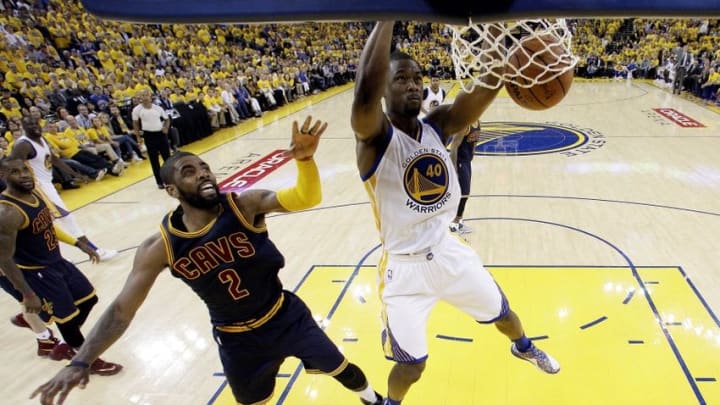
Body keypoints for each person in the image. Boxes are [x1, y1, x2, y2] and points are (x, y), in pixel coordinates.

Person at [32, 116, 384, 405]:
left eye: (204, 167)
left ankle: (372, 399)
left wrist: (304, 162)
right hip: (235, 339)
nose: (202, 173)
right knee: (253, 402)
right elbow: (122, 310)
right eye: (189, 171)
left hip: (284, 316)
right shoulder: (161, 246)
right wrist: (82, 360)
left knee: (343, 369)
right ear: (171, 190)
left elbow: (305, 198)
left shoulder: (244, 205)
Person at [350, 21, 560, 405]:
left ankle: (524, 346)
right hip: (404, 270)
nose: (414, 84)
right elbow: (364, 90)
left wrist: (504, 43)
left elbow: (483, 89)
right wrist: (386, 16)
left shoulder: (438, 125)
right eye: (401, 79)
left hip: (448, 252)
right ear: (383, 87)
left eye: (418, 78)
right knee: (412, 367)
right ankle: (390, 403)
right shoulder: (374, 138)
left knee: (504, 315)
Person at [0, 157, 122, 375]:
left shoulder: (33, 195)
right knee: (65, 318)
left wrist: (80, 243)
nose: (25, 175)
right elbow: (4, 258)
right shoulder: (7, 213)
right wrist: (27, 294)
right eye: (15, 172)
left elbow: (48, 225)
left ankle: (65, 338)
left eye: (25, 169)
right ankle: (85, 359)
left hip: (56, 261)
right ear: (3, 177)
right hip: (37, 273)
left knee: (89, 299)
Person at [9, 117, 117, 261]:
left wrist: (75, 173)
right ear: (22, 125)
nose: (34, 125)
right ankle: (94, 250)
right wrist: (24, 190)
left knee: (49, 224)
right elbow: (13, 167)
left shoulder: (42, 139)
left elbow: (54, 159)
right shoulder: (23, 145)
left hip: (47, 184)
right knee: (67, 218)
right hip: (38, 188)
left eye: (35, 122)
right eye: (29, 123)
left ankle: (58, 258)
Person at [132, 90, 171, 189]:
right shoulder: (137, 110)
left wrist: (166, 127)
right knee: (154, 160)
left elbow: (167, 119)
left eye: (146, 95)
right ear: (140, 98)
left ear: (150, 97)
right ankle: (159, 181)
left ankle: (170, 179)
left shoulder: (158, 108)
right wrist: (138, 137)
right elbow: (135, 124)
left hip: (160, 134)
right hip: (149, 136)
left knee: (167, 157)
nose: (145, 97)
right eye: (142, 95)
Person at [448, 123, 481, 234]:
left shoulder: (477, 122)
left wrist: (473, 152)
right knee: (463, 193)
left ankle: (458, 221)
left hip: (466, 161)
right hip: (459, 161)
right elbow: (453, 146)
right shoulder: (465, 125)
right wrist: (454, 168)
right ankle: (454, 223)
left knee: (465, 193)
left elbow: (475, 141)